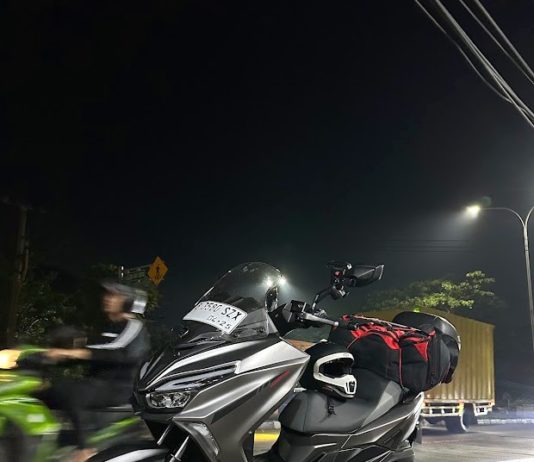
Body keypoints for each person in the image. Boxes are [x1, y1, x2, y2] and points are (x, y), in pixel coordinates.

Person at [44, 281, 151, 462]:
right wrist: (52, 357)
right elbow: (89, 351)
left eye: (114, 295)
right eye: (107, 294)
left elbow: (117, 352)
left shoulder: (133, 325)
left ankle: (85, 450)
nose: (107, 299)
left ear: (127, 301)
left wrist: (73, 353)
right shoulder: (106, 327)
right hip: (97, 384)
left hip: (118, 387)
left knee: (71, 392)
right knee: (46, 393)